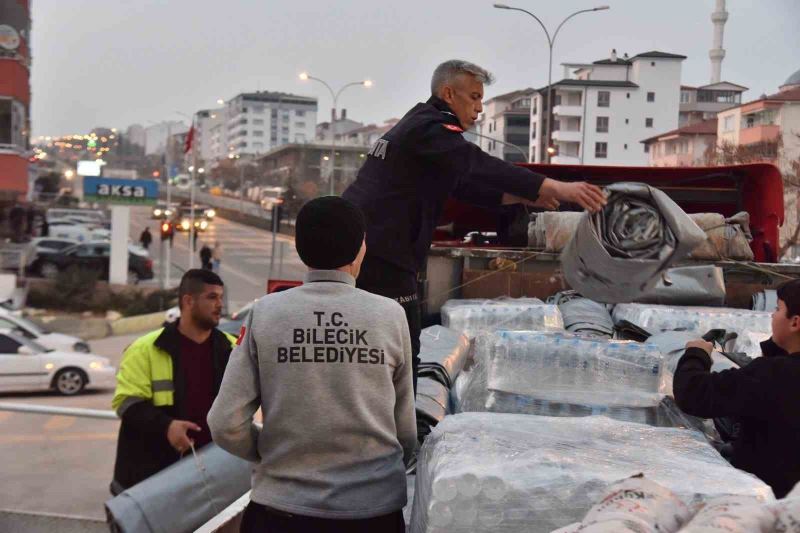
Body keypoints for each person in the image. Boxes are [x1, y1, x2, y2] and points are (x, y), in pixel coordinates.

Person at [343, 59, 606, 392]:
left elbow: (463, 185)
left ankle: (393, 420)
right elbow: (475, 164)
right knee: (400, 353)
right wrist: (552, 186)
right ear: (448, 93)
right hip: (382, 257)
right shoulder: (430, 129)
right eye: (474, 97)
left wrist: (527, 196)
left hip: (374, 252)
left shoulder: (423, 129)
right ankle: (396, 433)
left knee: (394, 350)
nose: (480, 108)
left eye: (482, 99)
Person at [208, 196, 416, 533]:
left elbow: (223, 422)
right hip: (372, 513)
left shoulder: (266, 313)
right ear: (360, 249)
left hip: (279, 511)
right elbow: (404, 431)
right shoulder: (390, 316)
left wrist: (272, 454)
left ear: (300, 249)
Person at [110, 269, 237, 495]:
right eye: (211, 297)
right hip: (153, 474)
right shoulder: (144, 349)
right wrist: (166, 426)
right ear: (188, 301)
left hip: (214, 474)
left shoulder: (233, 349)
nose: (220, 305)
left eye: (221, 297)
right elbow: (126, 404)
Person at [674, 279, 800, 498]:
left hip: (768, 506)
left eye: (778, 309)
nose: (772, 315)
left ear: (795, 323)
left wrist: (697, 354)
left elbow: (693, 393)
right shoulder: (775, 372)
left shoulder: (773, 375)